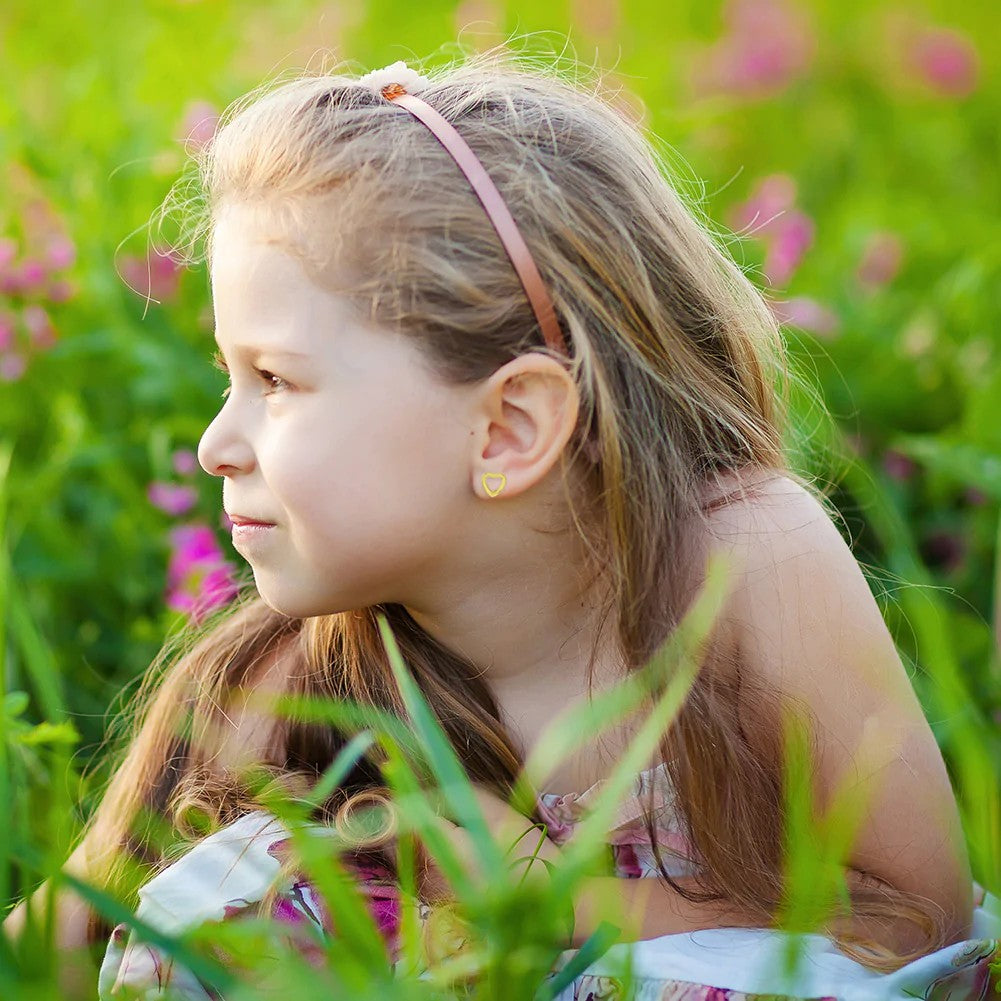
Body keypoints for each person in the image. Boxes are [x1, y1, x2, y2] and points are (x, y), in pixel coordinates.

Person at [7, 49, 999, 999]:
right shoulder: (299, 677)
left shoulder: (743, 559)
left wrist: (548, 888)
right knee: (252, 889)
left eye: (274, 379)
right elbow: (50, 942)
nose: (217, 442)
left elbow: (919, 926)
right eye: (232, 375)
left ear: (509, 426)